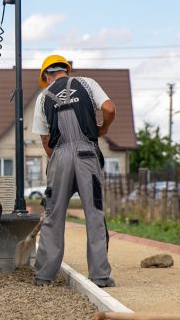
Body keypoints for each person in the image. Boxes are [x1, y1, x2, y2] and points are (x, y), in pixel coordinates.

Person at [30, 54, 117, 288]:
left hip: (59, 158)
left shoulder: (43, 97)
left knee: (53, 216)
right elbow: (109, 108)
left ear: (47, 76)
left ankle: (44, 276)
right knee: (94, 214)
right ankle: (100, 276)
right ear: (66, 70)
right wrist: (102, 128)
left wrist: (59, 161)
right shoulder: (87, 83)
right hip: (88, 156)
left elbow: (46, 140)